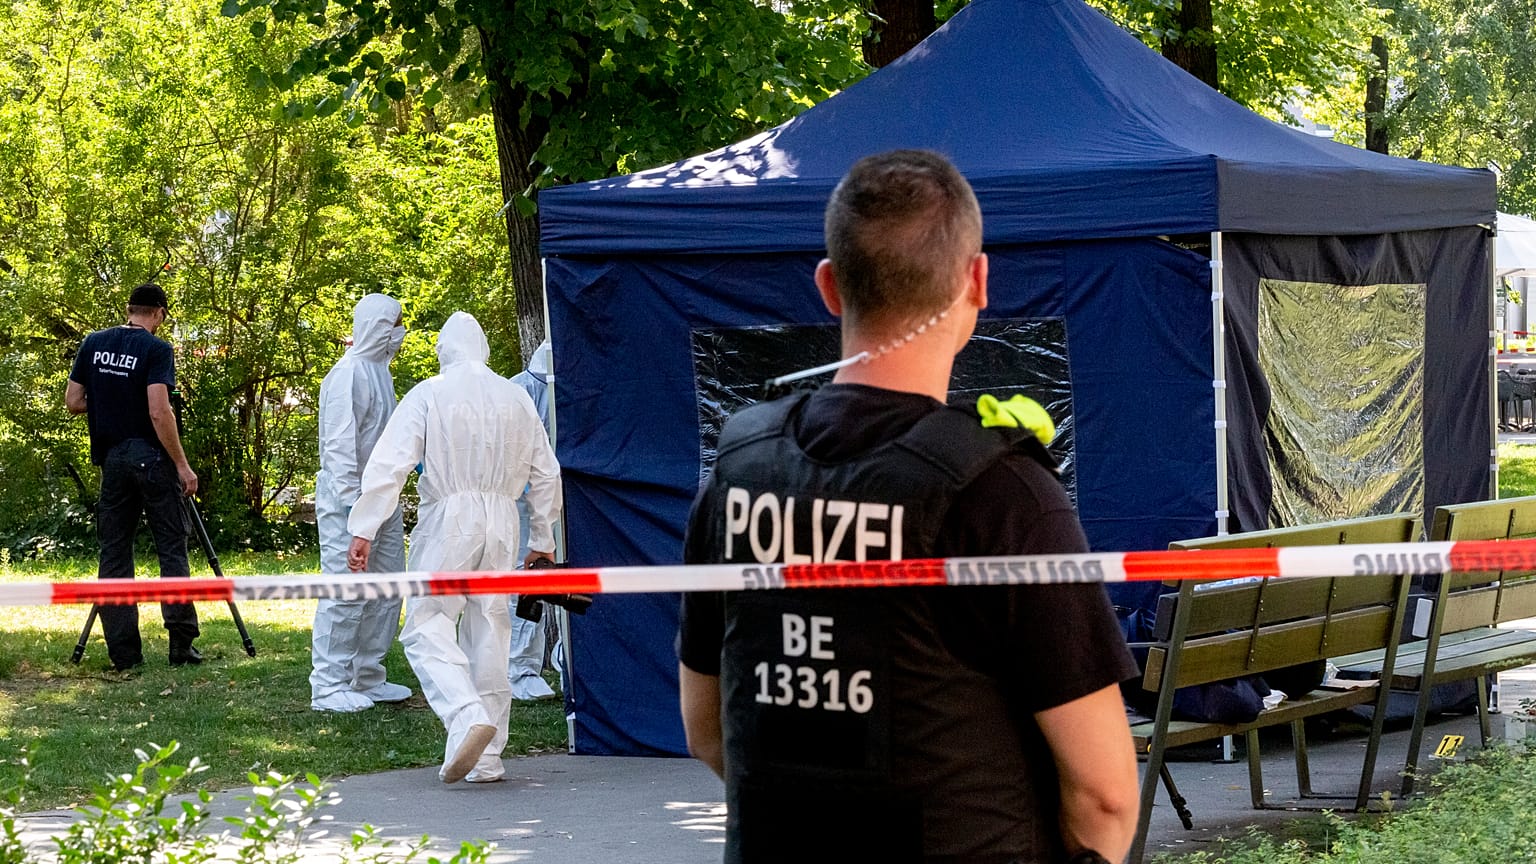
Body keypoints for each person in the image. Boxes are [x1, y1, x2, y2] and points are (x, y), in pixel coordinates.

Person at [676, 150, 1141, 864]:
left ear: (829, 287)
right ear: (977, 281)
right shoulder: (1003, 495)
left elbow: (707, 729)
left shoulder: (737, 474)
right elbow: (1105, 795)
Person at [347, 311, 561, 784]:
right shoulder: (516, 396)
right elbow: (547, 472)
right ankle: (487, 757)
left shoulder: (431, 392)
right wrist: (542, 539)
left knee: (427, 624)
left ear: (444, 350)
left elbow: (390, 462)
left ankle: (465, 714)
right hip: (504, 520)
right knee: (490, 628)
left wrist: (363, 526)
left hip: (449, 518)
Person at [65, 282, 201, 671]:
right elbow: (159, 410)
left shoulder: (93, 343)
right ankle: (180, 646)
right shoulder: (157, 349)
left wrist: (109, 401)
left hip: (112, 460)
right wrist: (182, 465)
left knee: (114, 554)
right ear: (159, 313)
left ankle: (123, 654)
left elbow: (73, 401)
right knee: (171, 548)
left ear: (128, 309)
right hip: (152, 458)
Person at [310, 293, 413, 713]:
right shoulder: (348, 374)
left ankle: (368, 675)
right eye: (396, 324)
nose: (400, 333)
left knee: (387, 588)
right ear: (377, 326)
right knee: (346, 590)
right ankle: (328, 685)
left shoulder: (380, 372)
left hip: (382, 499)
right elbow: (339, 448)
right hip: (349, 504)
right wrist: (356, 513)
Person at [507, 338, 561, 701]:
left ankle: (560, 655)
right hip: (521, 503)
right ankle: (520, 668)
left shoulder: (567, 390)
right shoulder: (518, 392)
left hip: (557, 498)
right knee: (526, 577)